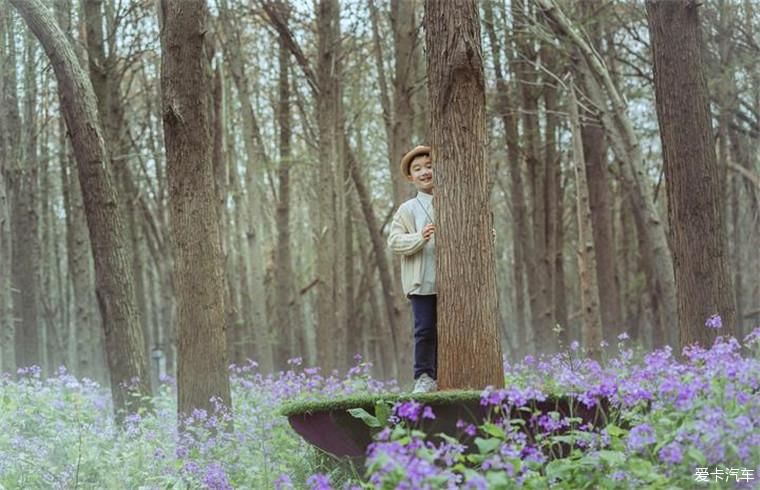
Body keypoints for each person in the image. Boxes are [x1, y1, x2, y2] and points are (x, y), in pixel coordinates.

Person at [387, 145, 438, 393]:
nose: (425, 172)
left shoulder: (456, 201)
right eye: (417, 169)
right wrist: (419, 237)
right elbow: (394, 241)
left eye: (429, 166)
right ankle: (424, 376)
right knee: (425, 329)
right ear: (410, 177)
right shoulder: (408, 209)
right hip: (422, 282)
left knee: (449, 333)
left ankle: (447, 374)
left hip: (454, 284)